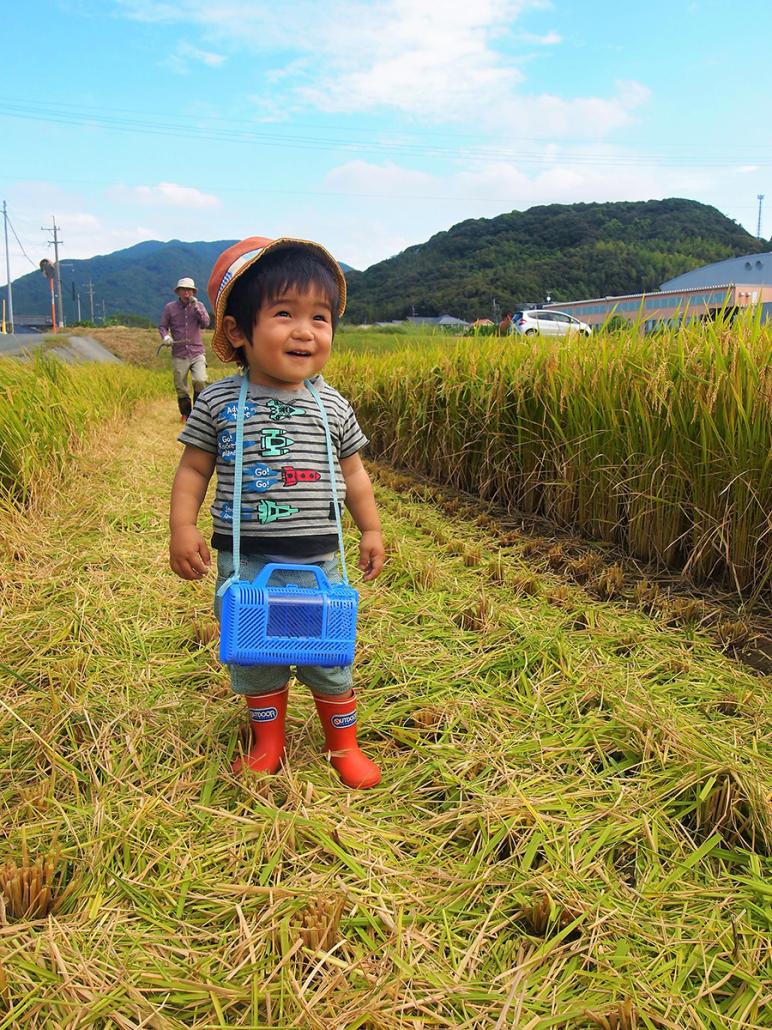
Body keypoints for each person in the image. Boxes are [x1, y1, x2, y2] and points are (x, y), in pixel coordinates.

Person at [168, 236, 386, 789]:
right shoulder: (220, 403)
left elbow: (355, 474)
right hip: (247, 560)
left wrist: (372, 528)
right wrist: (182, 527)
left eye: (320, 317)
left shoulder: (330, 404)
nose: (305, 331)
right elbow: (194, 471)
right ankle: (269, 742)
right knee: (258, 659)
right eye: (284, 314)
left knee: (328, 657)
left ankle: (343, 746)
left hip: (321, 561)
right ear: (239, 331)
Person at [159, 277, 211, 421]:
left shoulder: (199, 305)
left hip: (197, 351)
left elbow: (206, 323)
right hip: (179, 352)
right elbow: (163, 326)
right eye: (183, 289)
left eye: (189, 290)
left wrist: (197, 307)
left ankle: (199, 413)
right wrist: (166, 337)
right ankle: (186, 414)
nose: (186, 292)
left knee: (200, 380)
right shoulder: (170, 308)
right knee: (181, 386)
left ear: (193, 292)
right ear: (179, 292)